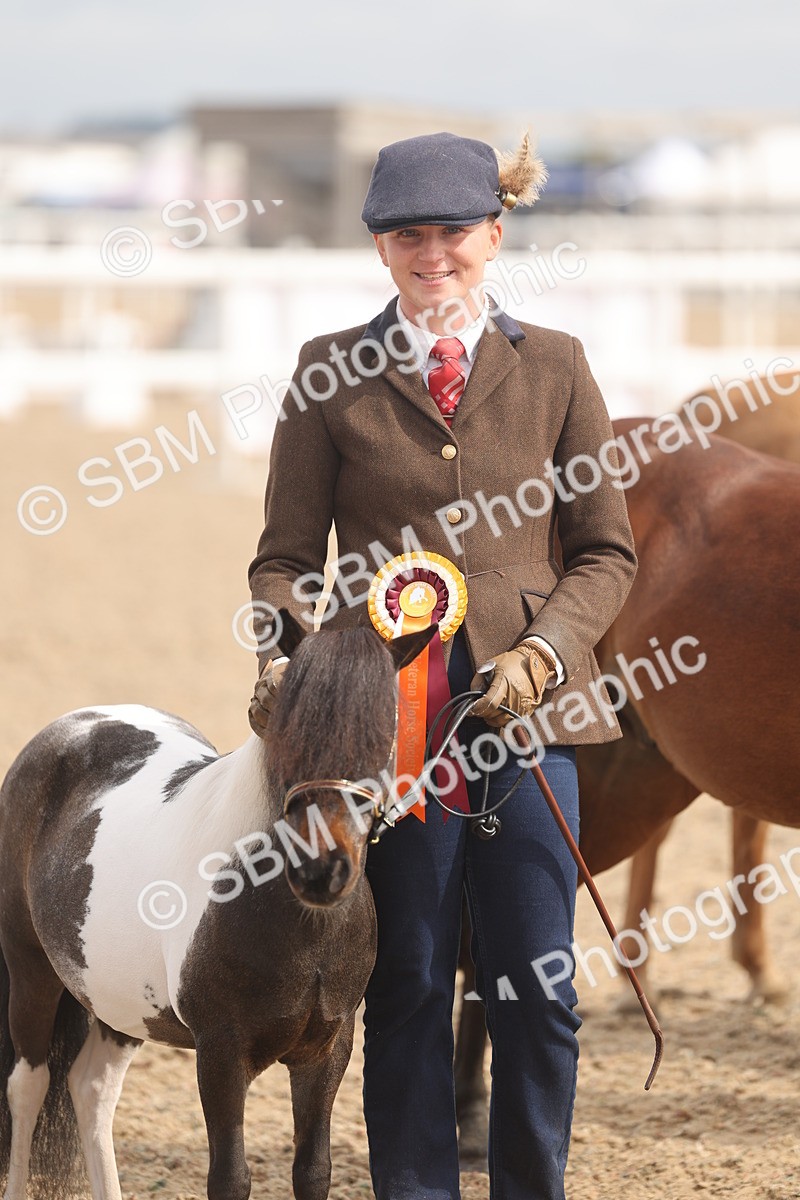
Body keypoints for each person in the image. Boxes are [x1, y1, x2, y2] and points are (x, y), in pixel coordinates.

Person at [248, 130, 637, 1200]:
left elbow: (606, 552)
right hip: (386, 733)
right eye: (407, 235)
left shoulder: (556, 363)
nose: (432, 254)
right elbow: (284, 561)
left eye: (452, 232)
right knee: (410, 982)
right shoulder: (326, 370)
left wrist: (543, 652)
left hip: (529, 722)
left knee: (537, 991)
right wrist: (290, 649)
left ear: (493, 236)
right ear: (380, 248)